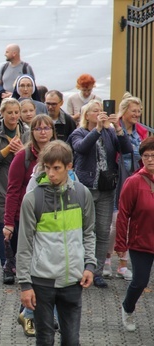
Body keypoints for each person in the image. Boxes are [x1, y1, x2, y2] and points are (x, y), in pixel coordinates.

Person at [17, 140, 96, 345]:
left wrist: (89, 265)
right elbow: (24, 245)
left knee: (71, 340)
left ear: (69, 167)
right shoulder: (32, 199)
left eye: (56, 168)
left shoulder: (82, 194)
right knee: (45, 339)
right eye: (47, 168)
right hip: (42, 281)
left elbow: (88, 233)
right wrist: (25, 284)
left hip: (73, 280)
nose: (51, 173)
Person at [67, 100, 133, 289]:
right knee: (82, 229)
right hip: (85, 188)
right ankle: (78, 268)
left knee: (103, 231)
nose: (99, 113)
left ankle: (95, 272)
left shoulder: (110, 132)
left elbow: (127, 149)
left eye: (100, 110)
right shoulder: (79, 133)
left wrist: (118, 128)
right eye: (94, 111)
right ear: (86, 115)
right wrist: (96, 130)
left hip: (106, 188)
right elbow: (80, 148)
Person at [3, 114, 55, 337]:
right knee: (34, 271)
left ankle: (39, 313)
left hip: (53, 222)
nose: (43, 131)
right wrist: (8, 223)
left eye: (47, 128)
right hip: (27, 220)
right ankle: (30, 314)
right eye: (38, 128)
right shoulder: (23, 157)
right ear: (31, 132)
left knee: (50, 270)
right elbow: (13, 190)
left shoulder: (59, 154)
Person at [0, 98, 30, 282]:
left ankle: (17, 263)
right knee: (4, 229)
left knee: (19, 230)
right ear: (2, 113)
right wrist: (6, 151)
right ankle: (7, 267)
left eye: (16, 112)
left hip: (22, 189)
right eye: (9, 113)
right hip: (1, 186)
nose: (13, 116)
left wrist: (21, 152)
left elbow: (34, 157)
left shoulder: (26, 132)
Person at [105, 93, 147, 281]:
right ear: (124, 111)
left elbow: (144, 153)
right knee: (114, 222)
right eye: (134, 111)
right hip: (117, 177)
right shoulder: (114, 127)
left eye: (139, 111)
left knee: (131, 222)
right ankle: (106, 260)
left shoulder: (142, 131)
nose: (137, 114)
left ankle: (123, 263)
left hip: (135, 177)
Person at [115, 136, 154, 332]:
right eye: (146, 156)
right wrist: (120, 245)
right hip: (141, 243)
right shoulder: (134, 183)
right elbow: (123, 216)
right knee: (139, 282)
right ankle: (127, 308)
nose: (150, 159)